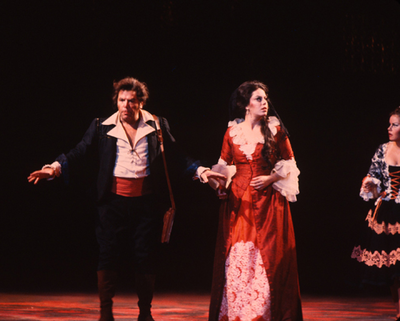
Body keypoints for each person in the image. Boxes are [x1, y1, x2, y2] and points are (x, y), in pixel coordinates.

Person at [28, 77, 223, 321]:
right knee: (108, 253)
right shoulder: (102, 126)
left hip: (145, 203)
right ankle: (106, 313)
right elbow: (80, 150)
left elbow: (176, 154)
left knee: (145, 255)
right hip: (112, 203)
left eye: (131, 101)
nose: (126, 106)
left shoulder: (157, 125)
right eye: (122, 100)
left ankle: (144, 313)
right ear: (116, 101)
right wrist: (54, 168)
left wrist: (200, 170)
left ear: (140, 102)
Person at [199, 80, 303, 320]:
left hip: (269, 202)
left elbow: (291, 164)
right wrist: (219, 186)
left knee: (268, 254)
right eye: (258, 99)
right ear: (244, 104)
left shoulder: (276, 130)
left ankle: (263, 312)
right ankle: (239, 311)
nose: (264, 103)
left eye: (265, 99)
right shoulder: (232, 132)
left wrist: (270, 178)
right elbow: (223, 165)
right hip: (238, 203)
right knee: (239, 253)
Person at [351, 107, 400, 320]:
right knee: (393, 268)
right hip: (387, 213)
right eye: (389, 124)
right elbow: (373, 175)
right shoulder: (382, 149)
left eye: (394, 124)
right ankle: (399, 312)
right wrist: (370, 184)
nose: (389, 128)